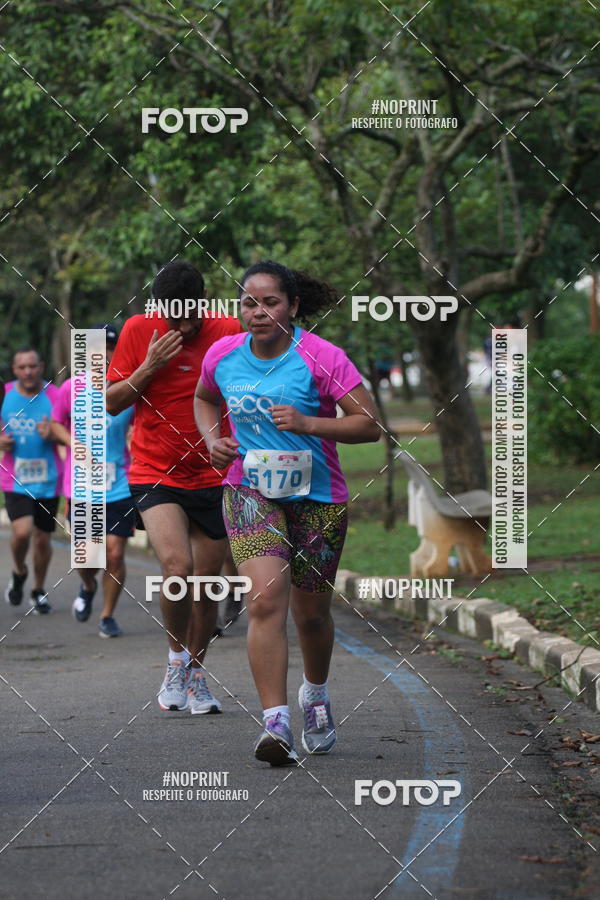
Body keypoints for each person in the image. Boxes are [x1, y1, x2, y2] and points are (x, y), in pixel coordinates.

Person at [195, 260, 380, 765]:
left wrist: (308, 423)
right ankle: (275, 725)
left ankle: (315, 696)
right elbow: (204, 398)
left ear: (293, 306)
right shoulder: (223, 354)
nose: (257, 313)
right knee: (264, 600)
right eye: (248, 303)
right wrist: (214, 440)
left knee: (312, 616)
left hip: (318, 499)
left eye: (269, 302)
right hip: (249, 491)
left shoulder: (322, 357)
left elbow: (369, 427)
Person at [106, 261, 242, 713]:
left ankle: (196, 675)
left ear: (203, 301)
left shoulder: (228, 329)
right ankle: (174, 661)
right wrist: (148, 366)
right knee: (176, 568)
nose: (182, 327)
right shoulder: (137, 330)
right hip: (155, 469)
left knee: (206, 587)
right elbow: (110, 403)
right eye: (172, 318)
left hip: (214, 474)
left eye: (190, 316)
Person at [51, 325, 135, 637]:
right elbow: (56, 423)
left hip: (119, 484)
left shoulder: (130, 390)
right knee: (88, 555)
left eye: (110, 349)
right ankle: (87, 585)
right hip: (82, 485)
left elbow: (144, 428)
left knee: (114, 553)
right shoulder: (71, 388)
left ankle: (107, 615)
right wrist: (74, 444)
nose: (104, 356)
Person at [1, 347, 63, 613]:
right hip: (13, 478)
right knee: (23, 532)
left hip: (49, 478)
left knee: (42, 539)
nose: (28, 372)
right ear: (14, 370)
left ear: (41, 366)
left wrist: (54, 434)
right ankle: (19, 570)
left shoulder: (56, 395)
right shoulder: (4, 394)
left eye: (33, 366)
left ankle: (38, 590)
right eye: (22, 367)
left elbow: (70, 431)